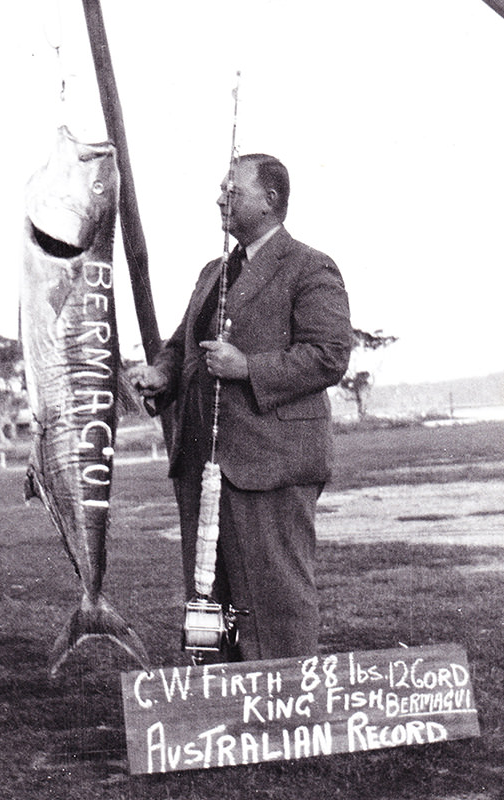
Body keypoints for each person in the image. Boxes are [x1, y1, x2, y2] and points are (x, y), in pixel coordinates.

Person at [129, 153, 352, 661]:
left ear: (271, 201)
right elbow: (183, 343)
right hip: (202, 467)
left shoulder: (310, 266)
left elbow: (329, 355)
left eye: (233, 190)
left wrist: (247, 367)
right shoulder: (214, 272)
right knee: (207, 601)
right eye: (220, 190)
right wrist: (161, 372)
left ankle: (284, 718)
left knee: (275, 602)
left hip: (270, 465)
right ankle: (220, 709)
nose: (219, 198)